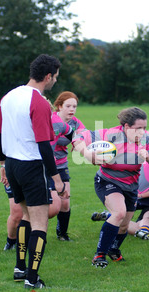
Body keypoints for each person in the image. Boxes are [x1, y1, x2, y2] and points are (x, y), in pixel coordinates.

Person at [0, 54, 69, 289]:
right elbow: (45, 144)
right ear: (48, 76)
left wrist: (3, 164)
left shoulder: (9, 96)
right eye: (55, 77)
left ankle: (19, 268)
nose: (55, 81)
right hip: (31, 166)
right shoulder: (39, 102)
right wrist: (57, 179)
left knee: (25, 216)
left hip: (13, 165)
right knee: (39, 224)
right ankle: (32, 279)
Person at [72, 107, 149, 268]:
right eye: (138, 128)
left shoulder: (146, 139)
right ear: (126, 127)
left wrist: (148, 158)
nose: (142, 132)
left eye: (145, 128)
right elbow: (78, 137)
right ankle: (99, 255)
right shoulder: (111, 134)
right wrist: (87, 153)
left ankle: (114, 250)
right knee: (119, 213)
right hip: (107, 180)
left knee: (125, 225)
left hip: (131, 186)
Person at [49, 92, 86, 241]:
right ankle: (35, 232)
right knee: (50, 205)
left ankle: (62, 234)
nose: (72, 109)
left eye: (75, 106)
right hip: (46, 166)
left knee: (65, 202)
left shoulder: (75, 122)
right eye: (68, 106)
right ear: (59, 106)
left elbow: (84, 134)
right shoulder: (52, 120)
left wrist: (78, 141)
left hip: (61, 164)